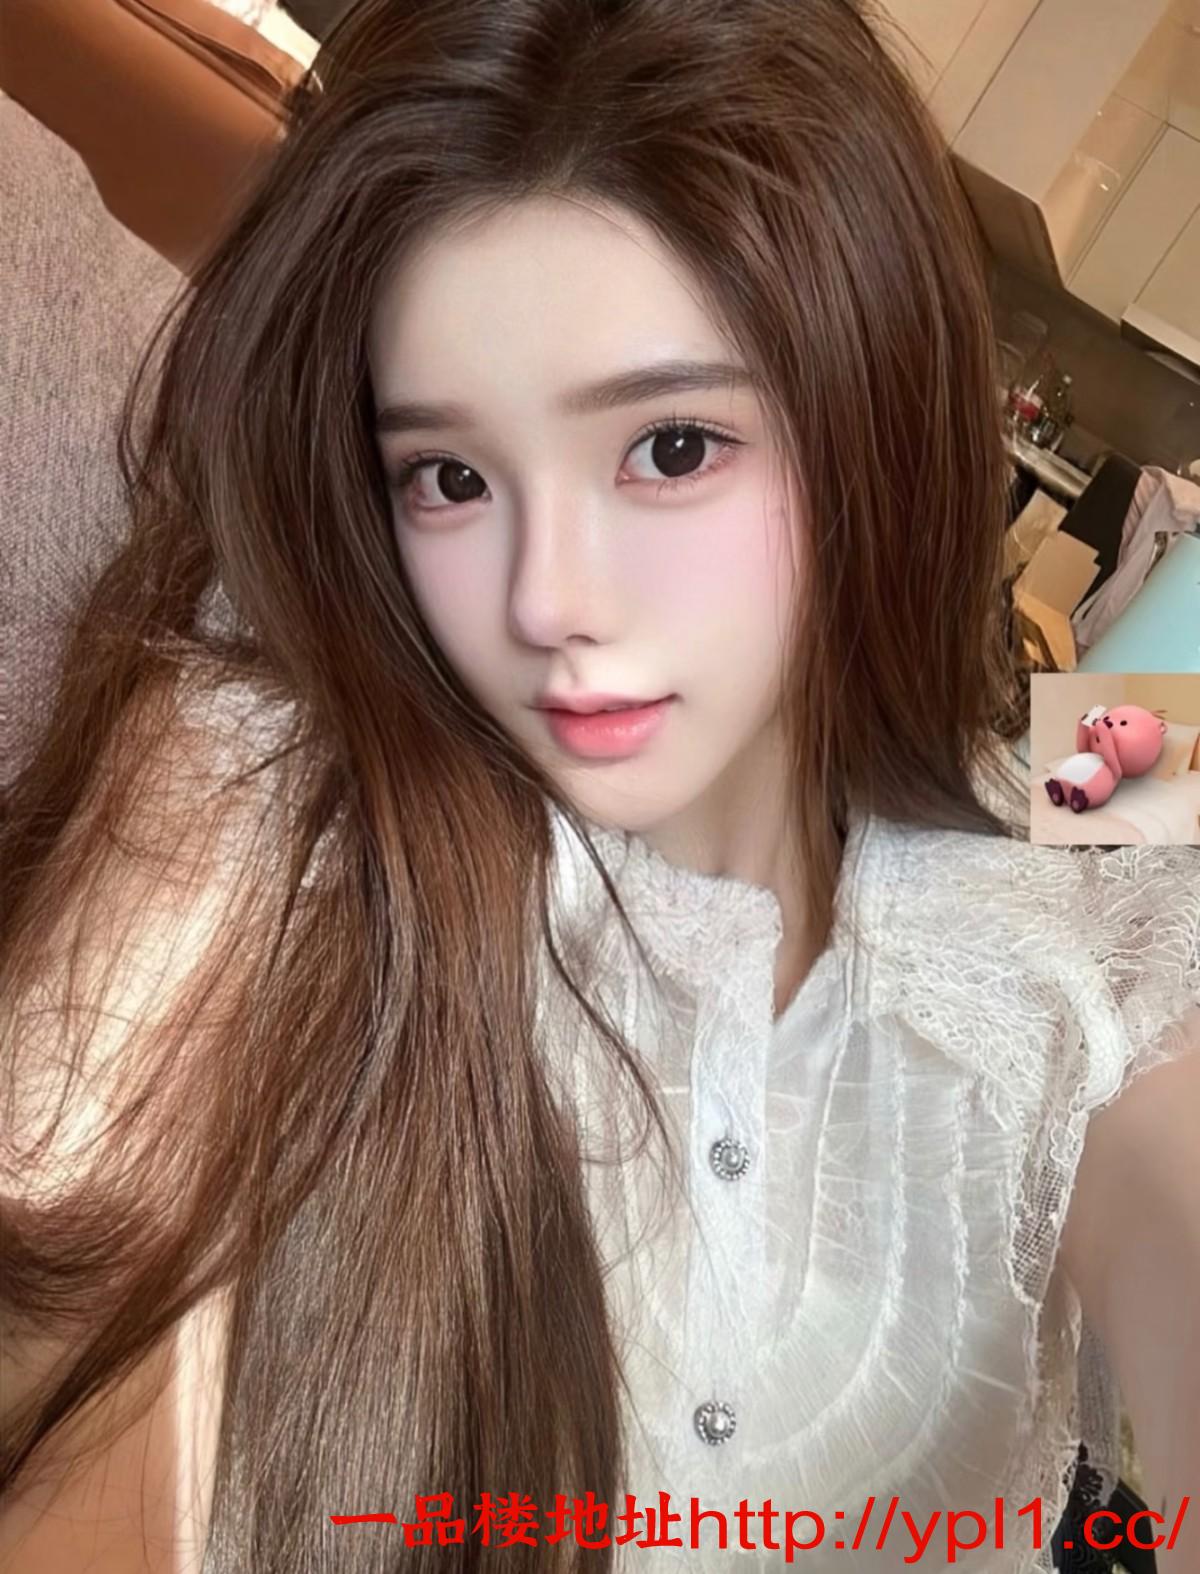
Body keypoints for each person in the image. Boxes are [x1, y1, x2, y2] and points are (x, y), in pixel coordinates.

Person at [1, 1, 1198, 1570]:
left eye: (672, 449)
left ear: (870, 418)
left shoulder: (1070, 854)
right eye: (451, 476)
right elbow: (77, 1272)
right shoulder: (275, 783)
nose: (543, 600)